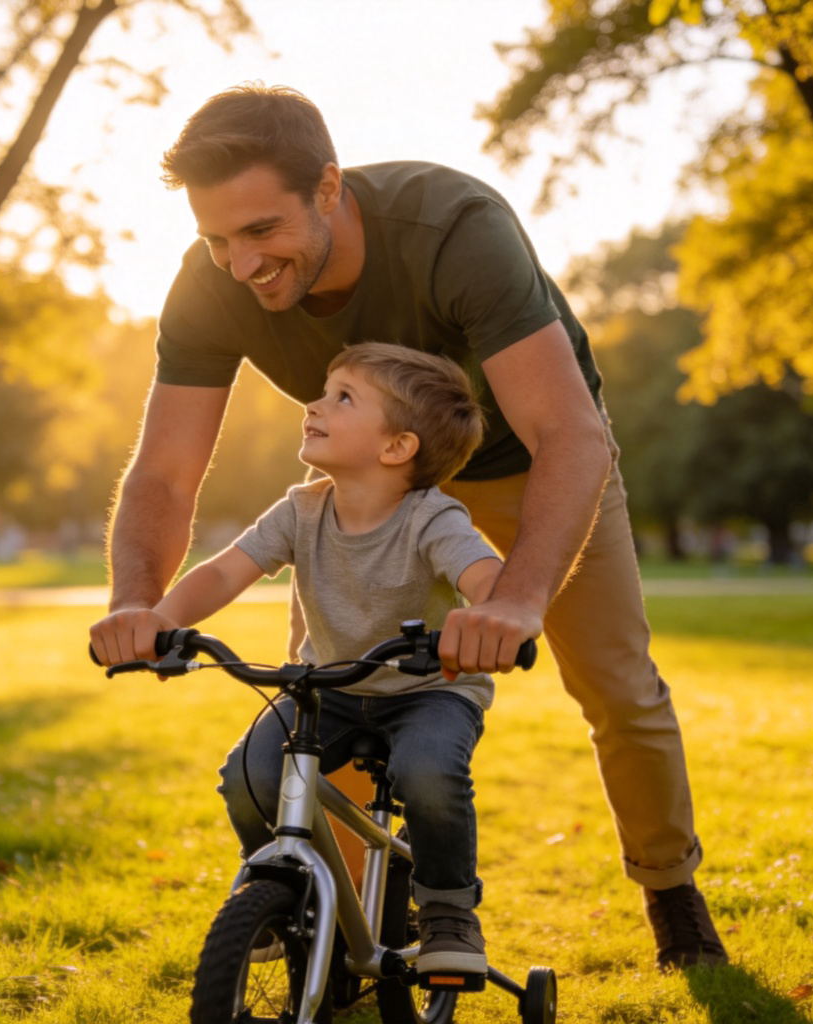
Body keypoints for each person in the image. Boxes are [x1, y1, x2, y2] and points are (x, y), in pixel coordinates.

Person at [89, 83, 728, 971]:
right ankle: (340, 933)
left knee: (618, 686)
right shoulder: (213, 283)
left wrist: (517, 600)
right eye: (216, 239)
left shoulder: (452, 229)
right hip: (367, 495)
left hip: (530, 466)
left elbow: (570, 435)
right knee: (331, 704)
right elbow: (164, 469)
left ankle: (671, 891)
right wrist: (137, 603)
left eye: (262, 232)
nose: (240, 265)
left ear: (327, 188)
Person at [142, 342, 503, 973]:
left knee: (427, 774)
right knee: (250, 777)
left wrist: (489, 616)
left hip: (429, 691)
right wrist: (160, 622)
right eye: (325, 389)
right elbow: (226, 572)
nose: (314, 403)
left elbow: (487, 577)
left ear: (397, 448)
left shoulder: (432, 518)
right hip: (330, 686)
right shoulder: (301, 509)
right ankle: (280, 890)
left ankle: (447, 909)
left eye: (343, 397)